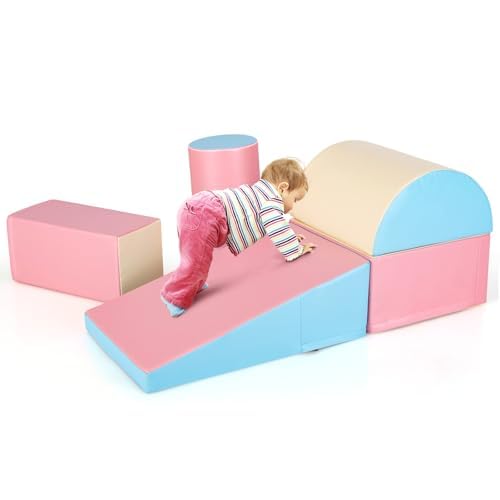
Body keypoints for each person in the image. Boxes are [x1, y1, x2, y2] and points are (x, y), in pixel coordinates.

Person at [160, 157, 317, 317]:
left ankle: (194, 284)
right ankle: (173, 298)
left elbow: (275, 225)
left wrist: (290, 236)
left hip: (199, 207)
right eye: (295, 199)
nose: (293, 206)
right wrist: (294, 248)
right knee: (195, 261)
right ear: (283, 189)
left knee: (198, 258)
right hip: (205, 214)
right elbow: (274, 223)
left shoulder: (259, 193)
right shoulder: (272, 199)